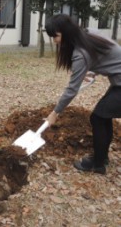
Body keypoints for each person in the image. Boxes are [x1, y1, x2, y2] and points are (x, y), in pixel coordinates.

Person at [45, 14, 121, 175]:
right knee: (102, 116)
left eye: (56, 36)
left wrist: (55, 113)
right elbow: (110, 55)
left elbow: (72, 90)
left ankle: (97, 164)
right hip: (118, 83)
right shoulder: (89, 33)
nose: (54, 41)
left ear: (66, 32)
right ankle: (102, 157)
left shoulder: (80, 53)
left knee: (98, 118)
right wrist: (93, 71)